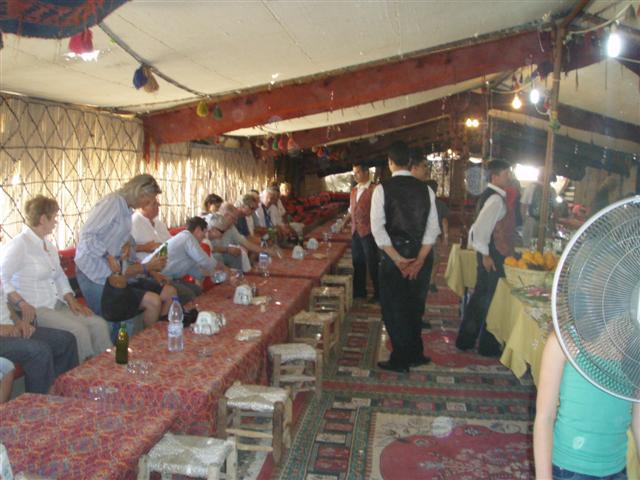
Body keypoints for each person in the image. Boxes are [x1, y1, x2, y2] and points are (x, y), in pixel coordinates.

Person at [0, 196, 112, 362]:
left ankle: (107, 366)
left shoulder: (48, 246)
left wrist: (71, 300)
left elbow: (59, 275)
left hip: (57, 304)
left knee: (98, 324)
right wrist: (21, 303)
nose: (56, 222)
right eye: (54, 217)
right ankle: (82, 373)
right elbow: (3, 277)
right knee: (79, 330)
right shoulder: (19, 245)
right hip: (37, 308)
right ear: (43, 219)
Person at [371, 141, 440, 373]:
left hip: (394, 259)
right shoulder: (426, 190)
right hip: (421, 257)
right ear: (410, 162)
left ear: (390, 162)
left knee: (394, 308)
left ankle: (401, 358)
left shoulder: (382, 189)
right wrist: (419, 260)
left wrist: (398, 260)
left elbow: (378, 230)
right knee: (415, 306)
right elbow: (432, 230)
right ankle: (415, 354)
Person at [533, 329, 640, 480]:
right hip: (568, 468)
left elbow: (638, 419)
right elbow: (545, 417)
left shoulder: (635, 349)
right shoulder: (563, 341)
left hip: (616, 468)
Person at [74, 174, 169, 335]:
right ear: (139, 193)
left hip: (109, 271)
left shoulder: (126, 209)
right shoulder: (113, 203)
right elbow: (87, 235)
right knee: (111, 318)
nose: (145, 205)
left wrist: (128, 245)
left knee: (121, 317)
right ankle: (113, 350)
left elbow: (121, 235)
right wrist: (107, 255)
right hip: (92, 269)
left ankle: (127, 347)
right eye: (147, 200)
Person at [0, 229, 78, 394]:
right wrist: (3, 329)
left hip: (10, 328)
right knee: (39, 351)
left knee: (66, 340)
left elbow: (4, 303)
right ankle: (39, 403)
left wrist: (19, 322)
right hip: (2, 335)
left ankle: (63, 394)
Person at [455, 160, 512, 356]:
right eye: (506, 174)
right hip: (492, 255)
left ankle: (466, 340)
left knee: (482, 297)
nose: (509, 177)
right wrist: (486, 255)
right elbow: (479, 231)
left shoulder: (492, 196)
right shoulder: (495, 200)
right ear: (495, 177)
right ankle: (487, 346)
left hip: (489, 253)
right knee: (489, 299)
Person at [145, 216, 218, 303]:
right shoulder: (187, 237)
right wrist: (220, 267)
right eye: (204, 233)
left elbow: (193, 269)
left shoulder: (188, 240)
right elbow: (204, 260)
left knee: (197, 290)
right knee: (189, 295)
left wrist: (209, 273)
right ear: (198, 230)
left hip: (168, 277)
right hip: (154, 276)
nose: (204, 237)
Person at [344, 162, 379, 301]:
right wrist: (343, 223)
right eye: (354, 173)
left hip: (369, 231)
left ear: (366, 172)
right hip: (356, 232)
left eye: (358, 172)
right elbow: (350, 210)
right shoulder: (354, 190)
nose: (355, 175)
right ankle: (359, 292)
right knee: (357, 262)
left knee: (373, 263)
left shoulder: (375, 189)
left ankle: (378, 293)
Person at [209, 204, 273, 271]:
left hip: (223, 254)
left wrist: (266, 251)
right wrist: (227, 249)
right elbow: (208, 248)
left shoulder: (231, 227)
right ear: (226, 215)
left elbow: (246, 243)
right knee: (217, 255)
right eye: (234, 218)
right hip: (212, 257)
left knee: (239, 253)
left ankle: (241, 273)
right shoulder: (212, 223)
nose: (236, 222)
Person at [131, 196, 171, 261]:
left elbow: (170, 242)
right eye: (154, 203)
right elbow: (122, 248)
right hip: (147, 263)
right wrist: (144, 248)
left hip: (167, 260)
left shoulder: (159, 224)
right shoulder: (134, 222)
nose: (159, 205)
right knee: (185, 236)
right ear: (143, 207)